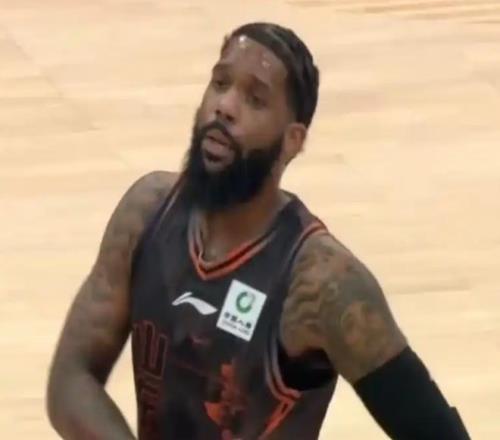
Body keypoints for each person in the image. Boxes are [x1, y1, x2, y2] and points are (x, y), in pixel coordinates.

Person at [46, 22, 471, 440]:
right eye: (220, 83)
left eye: (255, 99)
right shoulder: (146, 214)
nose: (225, 107)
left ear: (292, 140)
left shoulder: (324, 285)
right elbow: (70, 379)